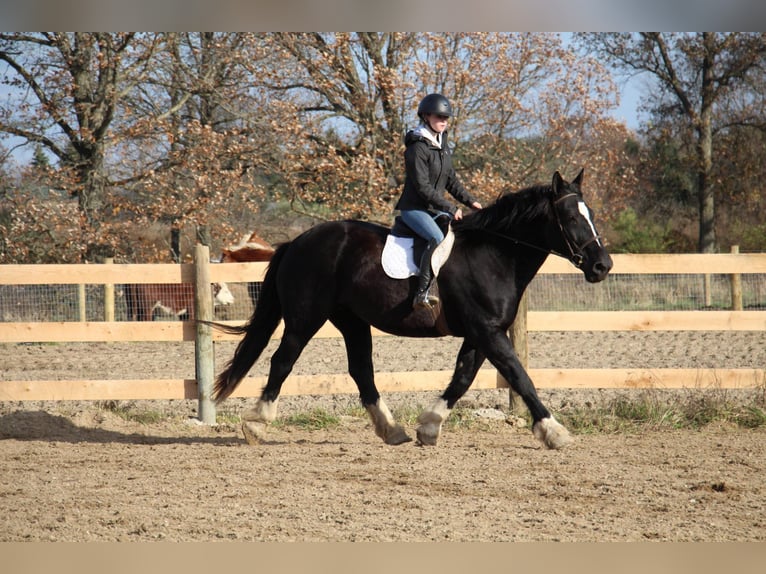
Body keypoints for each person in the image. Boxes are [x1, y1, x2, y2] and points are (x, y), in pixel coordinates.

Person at [395, 93, 482, 310]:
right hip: (415, 208)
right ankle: (421, 293)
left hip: (434, 209)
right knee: (435, 237)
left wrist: (471, 202)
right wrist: (450, 207)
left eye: (446, 117)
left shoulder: (442, 144)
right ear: (425, 116)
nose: (443, 121)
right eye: (438, 117)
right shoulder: (417, 148)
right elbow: (422, 187)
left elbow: (451, 180)